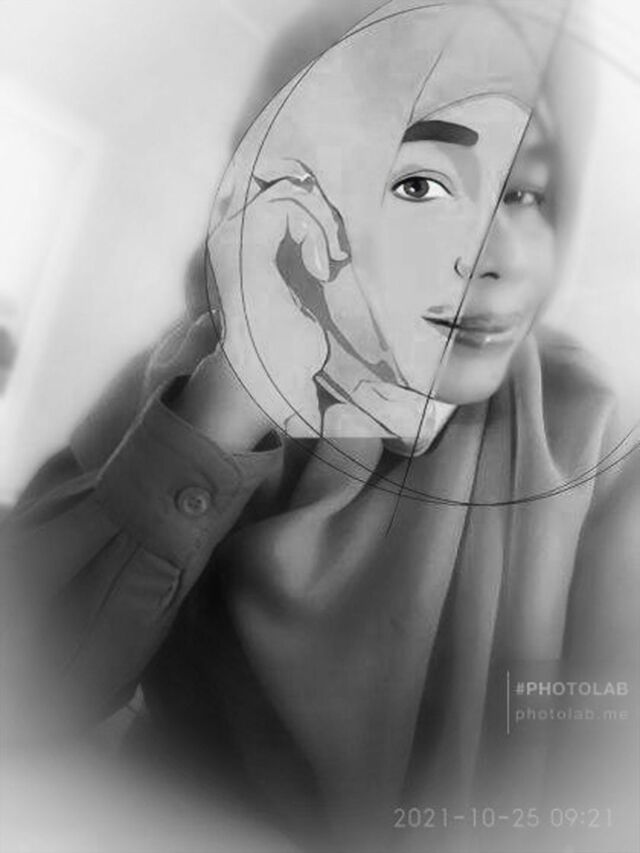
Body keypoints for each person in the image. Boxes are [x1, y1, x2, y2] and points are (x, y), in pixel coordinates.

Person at [2, 1, 639, 851]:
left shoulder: (591, 441)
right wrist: (236, 396)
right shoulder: (192, 374)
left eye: (526, 193)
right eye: (421, 185)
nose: (495, 255)